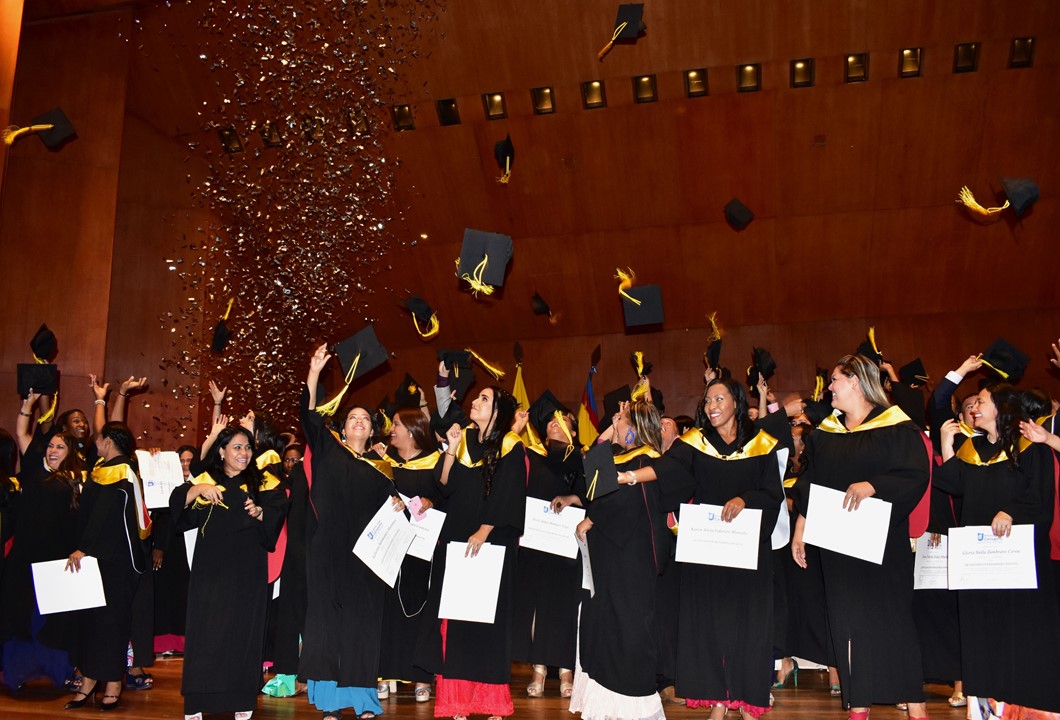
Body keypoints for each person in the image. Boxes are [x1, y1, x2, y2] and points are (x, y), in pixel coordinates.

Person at [626, 378, 784, 719]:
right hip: (708, 550)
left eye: (719, 398)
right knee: (709, 624)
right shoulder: (695, 442)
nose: (711, 405)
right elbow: (668, 468)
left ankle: (745, 699)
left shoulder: (762, 444)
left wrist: (746, 499)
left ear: (736, 403)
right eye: (708, 400)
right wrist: (631, 477)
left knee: (747, 624)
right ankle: (717, 700)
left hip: (748, 549)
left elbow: (773, 494)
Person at [790, 355, 930, 720]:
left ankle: (915, 704)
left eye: (834, 380)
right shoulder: (824, 434)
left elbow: (915, 474)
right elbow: (810, 485)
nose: (829, 387)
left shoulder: (897, 427)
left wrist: (874, 486)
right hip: (838, 544)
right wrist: (800, 530)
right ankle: (859, 702)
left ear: (854, 382)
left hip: (883, 544)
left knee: (893, 620)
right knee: (847, 622)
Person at [934, 385, 1060, 713]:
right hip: (979, 559)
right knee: (981, 627)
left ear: (1002, 409)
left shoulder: (1031, 447)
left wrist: (1011, 511)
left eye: (982, 402)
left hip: (1017, 561)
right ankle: (985, 706)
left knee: (1017, 629)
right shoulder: (973, 449)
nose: (974, 406)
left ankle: (1023, 705)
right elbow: (953, 485)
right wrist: (948, 445)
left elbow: (1041, 498)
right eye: (974, 402)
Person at [301, 344, 402, 720]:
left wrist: (400, 506)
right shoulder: (328, 448)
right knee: (328, 625)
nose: (358, 420)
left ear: (373, 428)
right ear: (342, 427)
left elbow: (399, 509)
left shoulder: (384, 468)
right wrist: (314, 374)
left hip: (367, 559)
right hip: (327, 552)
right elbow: (309, 417)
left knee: (362, 627)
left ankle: (363, 702)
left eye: (365, 418)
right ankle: (329, 704)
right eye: (352, 417)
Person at [415, 385, 526, 720]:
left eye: (483, 399)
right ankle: (457, 700)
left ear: (497, 412)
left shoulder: (510, 444)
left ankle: (492, 701)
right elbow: (445, 485)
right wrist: (450, 449)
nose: (474, 402)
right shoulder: (463, 439)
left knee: (487, 623)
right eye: (476, 397)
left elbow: (510, 492)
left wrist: (485, 529)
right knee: (458, 622)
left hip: (491, 542)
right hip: (457, 539)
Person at [571, 399, 684, 720]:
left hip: (630, 560)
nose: (614, 422)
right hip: (613, 558)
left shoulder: (646, 462)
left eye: (619, 419)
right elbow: (591, 468)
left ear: (633, 430)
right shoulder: (622, 458)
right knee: (608, 628)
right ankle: (608, 708)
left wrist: (594, 518)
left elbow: (620, 505)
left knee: (628, 630)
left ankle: (637, 709)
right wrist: (616, 426)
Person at [169, 425, 287, 720]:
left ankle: (242, 698)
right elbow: (176, 508)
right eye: (236, 447)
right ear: (221, 451)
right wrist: (197, 489)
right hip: (210, 572)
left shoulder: (263, 482)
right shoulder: (208, 481)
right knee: (205, 633)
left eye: (247, 447)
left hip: (248, 571)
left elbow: (278, 512)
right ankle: (197, 701)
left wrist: (260, 513)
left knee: (244, 632)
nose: (243, 453)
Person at [65, 422, 149, 711]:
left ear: (109, 440)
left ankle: (113, 682)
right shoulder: (106, 467)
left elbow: (105, 515)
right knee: (92, 623)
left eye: (99, 438)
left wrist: (85, 546)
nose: (95, 442)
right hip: (98, 560)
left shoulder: (121, 470)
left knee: (111, 624)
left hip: (116, 561)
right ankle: (89, 680)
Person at [513, 397, 584, 699]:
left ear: (573, 428)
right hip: (534, 544)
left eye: (562, 418)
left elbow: (594, 494)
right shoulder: (531, 455)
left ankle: (567, 669)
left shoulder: (583, 457)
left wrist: (571, 499)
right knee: (536, 606)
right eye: (550, 420)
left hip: (567, 545)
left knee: (563, 607)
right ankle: (539, 669)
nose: (556, 422)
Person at [0, 431, 82, 691]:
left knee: (55, 623)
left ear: (71, 452)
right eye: (50, 446)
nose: (53, 450)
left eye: (60, 446)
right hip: (25, 562)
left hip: (59, 565)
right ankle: (17, 674)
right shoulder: (31, 479)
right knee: (23, 619)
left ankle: (60, 673)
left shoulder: (79, 482)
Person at [378, 408, 442, 703]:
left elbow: (449, 499)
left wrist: (432, 501)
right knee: (388, 610)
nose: (391, 429)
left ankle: (420, 675)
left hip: (421, 549)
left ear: (414, 430)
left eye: (396, 425)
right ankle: (385, 672)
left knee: (418, 608)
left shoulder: (435, 463)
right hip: (389, 546)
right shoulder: (385, 464)